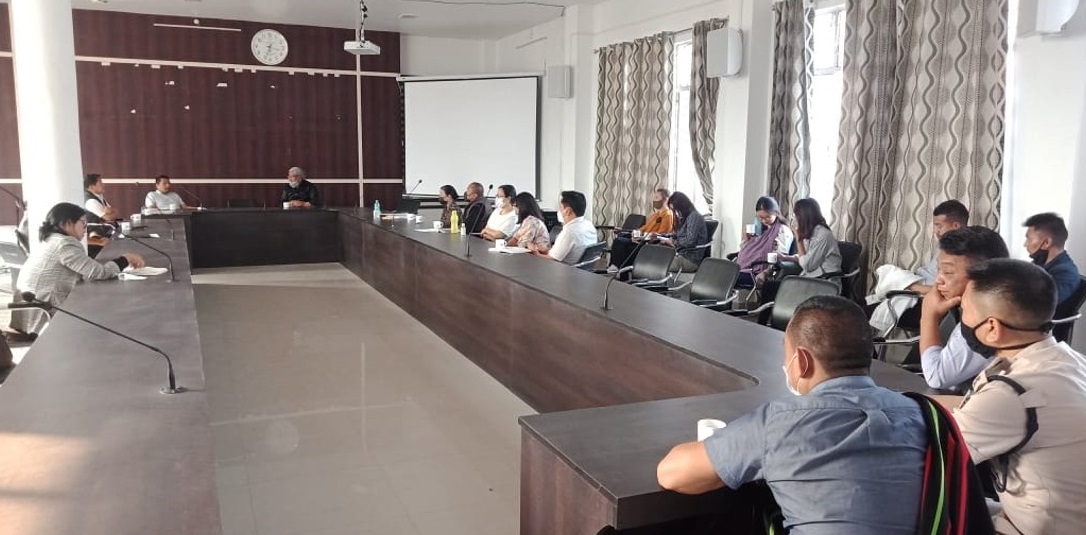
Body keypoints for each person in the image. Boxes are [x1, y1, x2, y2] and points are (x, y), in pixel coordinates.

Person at [656, 295, 926, 534]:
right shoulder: (922, 415)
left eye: (786, 354)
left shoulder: (783, 422)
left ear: (802, 361)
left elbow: (672, 473)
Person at [935, 259, 1086, 535]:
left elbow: (932, 452)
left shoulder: (1012, 393)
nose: (962, 320)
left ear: (992, 327)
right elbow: (972, 407)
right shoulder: (1067, 360)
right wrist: (901, 400)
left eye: (965, 311)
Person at [10, 202, 145, 335]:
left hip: (29, 314)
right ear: (67, 223)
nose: (85, 229)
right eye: (83, 223)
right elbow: (99, 273)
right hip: (43, 316)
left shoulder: (51, 239)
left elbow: (87, 270)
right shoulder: (65, 244)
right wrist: (125, 259)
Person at [920, 226, 1010, 390]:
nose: (938, 280)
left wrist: (928, 315)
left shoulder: (987, 318)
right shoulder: (990, 302)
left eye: (948, 272)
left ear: (984, 276)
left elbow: (936, 376)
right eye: (939, 269)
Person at [867, 200, 970, 333]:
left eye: (939, 226)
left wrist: (912, 286)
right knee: (858, 304)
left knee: (857, 313)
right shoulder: (945, 246)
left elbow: (952, 291)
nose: (936, 231)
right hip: (917, 290)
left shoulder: (964, 253)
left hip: (924, 300)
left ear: (956, 226)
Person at [609, 188, 675, 268]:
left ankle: (616, 267)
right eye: (654, 198)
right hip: (642, 238)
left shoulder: (667, 215)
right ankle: (615, 267)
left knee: (621, 242)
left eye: (657, 198)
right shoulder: (656, 215)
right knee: (621, 238)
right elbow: (643, 228)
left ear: (666, 200)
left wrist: (642, 237)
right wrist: (632, 233)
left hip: (650, 242)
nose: (654, 200)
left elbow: (662, 234)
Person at [735, 196, 794, 285]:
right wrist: (747, 240)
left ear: (776, 213)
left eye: (767, 217)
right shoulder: (760, 229)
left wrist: (766, 272)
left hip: (760, 272)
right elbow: (746, 251)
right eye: (760, 218)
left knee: (727, 276)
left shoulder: (782, 230)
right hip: (745, 268)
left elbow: (779, 256)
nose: (764, 221)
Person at [1023, 212, 1080, 305]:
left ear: (1046, 243)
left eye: (1029, 239)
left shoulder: (1066, 274)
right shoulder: (1040, 262)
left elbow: (1039, 304)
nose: (1025, 244)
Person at [776, 198, 840, 278]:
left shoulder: (823, 235)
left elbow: (807, 265)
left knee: (784, 283)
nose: (794, 219)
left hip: (825, 280)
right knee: (778, 283)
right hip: (813, 278)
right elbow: (805, 256)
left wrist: (799, 239)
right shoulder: (811, 232)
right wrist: (785, 257)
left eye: (795, 215)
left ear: (803, 217)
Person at [530, 190, 596, 264]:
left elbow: (552, 259)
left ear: (567, 211)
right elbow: (558, 253)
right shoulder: (589, 225)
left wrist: (535, 252)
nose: (559, 211)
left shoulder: (569, 232)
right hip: (583, 269)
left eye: (560, 208)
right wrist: (545, 250)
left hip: (564, 269)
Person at [657, 192, 707, 272]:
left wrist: (674, 242)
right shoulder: (685, 217)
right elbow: (678, 234)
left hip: (690, 259)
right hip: (681, 254)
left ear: (682, 207)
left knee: (657, 263)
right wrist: (661, 236)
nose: (676, 213)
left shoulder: (694, 217)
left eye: (676, 210)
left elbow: (690, 241)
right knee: (653, 257)